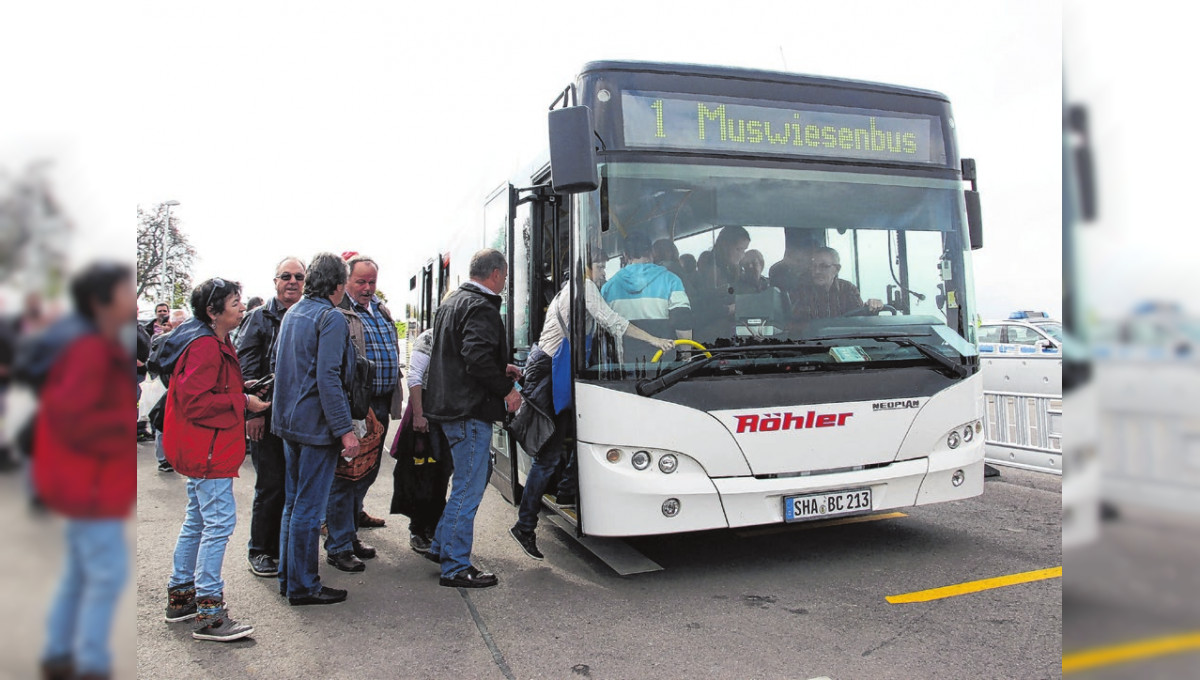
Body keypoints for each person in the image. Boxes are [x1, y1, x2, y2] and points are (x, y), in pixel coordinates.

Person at [509, 250, 674, 560]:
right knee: (549, 454)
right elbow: (614, 323)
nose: (604, 273)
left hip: (554, 371)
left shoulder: (569, 290)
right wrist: (655, 341)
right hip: (551, 375)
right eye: (600, 267)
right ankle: (524, 524)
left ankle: (568, 490)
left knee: (579, 432)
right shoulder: (583, 288)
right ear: (586, 268)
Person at [31, 263, 137, 679]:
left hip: (85, 482)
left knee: (79, 571)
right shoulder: (91, 350)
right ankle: (91, 663)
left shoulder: (96, 346)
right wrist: (122, 427)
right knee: (106, 574)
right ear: (100, 301)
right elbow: (72, 420)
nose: (133, 297)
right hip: (90, 484)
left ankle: (59, 652)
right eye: (125, 290)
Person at [161, 277, 269, 642]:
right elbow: (196, 402)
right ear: (213, 310)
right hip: (209, 450)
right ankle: (209, 614)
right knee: (218, 525)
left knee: (198, 521)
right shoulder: (207, 346)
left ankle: (182, 598)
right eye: (235, 302)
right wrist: (243, 402)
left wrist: (244, 390)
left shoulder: (208, 340)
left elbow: (205, 392)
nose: (241, 307)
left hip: (202, 448)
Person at [423, 248, 522, 588]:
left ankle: (441, 545)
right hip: (470, 410)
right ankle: (455, 566)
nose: (505, 282)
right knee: (468, 488)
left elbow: (458, 354)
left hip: (450, 406)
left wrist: (499, 366)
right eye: (506, 277)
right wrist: (506, 389)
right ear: (495, 274)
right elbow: (475, 358)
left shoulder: (453, 301)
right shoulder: (482, 306)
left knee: (467, 482)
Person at [272, 253, 359, 606]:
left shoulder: (293, 312)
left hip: (290, 424)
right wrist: (345, 430)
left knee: (293, 505)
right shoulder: (330, 317)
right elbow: (329, 378)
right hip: (315, 427)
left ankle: (289, 579)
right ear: (338, 286)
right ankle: (304, 585)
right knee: (308, 508)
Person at [236, 257, 305, 579]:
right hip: (268, 415)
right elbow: (246, 370)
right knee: (272, 485)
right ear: (275, 281)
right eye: (286, 276)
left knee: (297, 488)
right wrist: (254, 412)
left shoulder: (308, 314)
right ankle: (261, 550)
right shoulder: (258, 319)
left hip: (302, 419)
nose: (292, 281)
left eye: (299, 277)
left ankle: (286, 549)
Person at [391, 326, 453, 555]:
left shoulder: (459, 334)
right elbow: (415, 376)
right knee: (421, 472)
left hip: (446, 413)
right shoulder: (428, 337)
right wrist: (418, 414)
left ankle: (435, 527)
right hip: (425, 413)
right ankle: (418, 528)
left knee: (441, 473)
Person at [601, 232, 693, 360]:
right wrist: (686, 356)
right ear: (651, 253)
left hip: (624, 367)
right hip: (665, 368)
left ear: (625, 255)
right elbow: (682, 321)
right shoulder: (671, 281)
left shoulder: (608, 288)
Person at [789, 246, 884, 322]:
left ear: (837, 269)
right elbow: (793, 326)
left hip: (843, 342)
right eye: (814, 266)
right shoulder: (801, 291)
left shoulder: (848, 289)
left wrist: (872, 307)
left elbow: (860, 321)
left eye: (823, 266)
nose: (817, 271)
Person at [692, 225, 752, 340]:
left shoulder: (732, 271)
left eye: (744, 250)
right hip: (711, 341)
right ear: (724, 246)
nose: (742, 255)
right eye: (738, 249)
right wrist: (730, 309)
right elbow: (703, 308)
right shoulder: (709, 269)